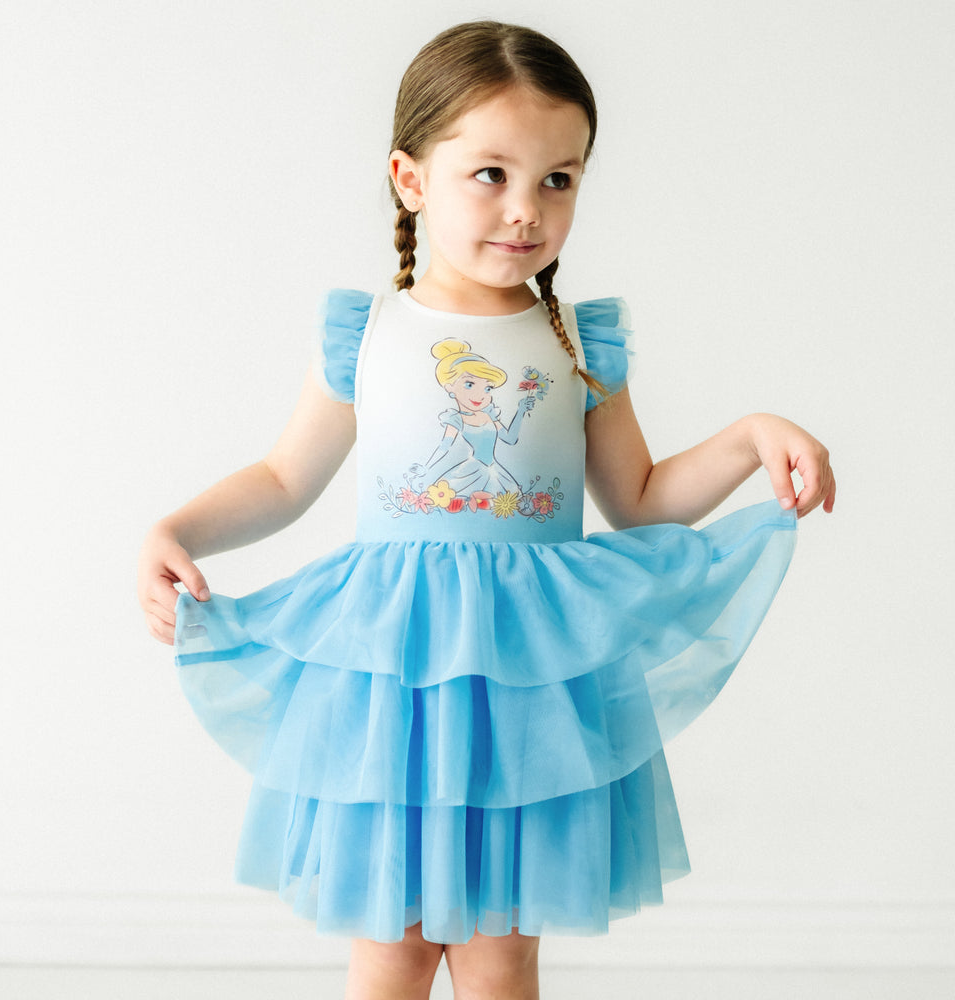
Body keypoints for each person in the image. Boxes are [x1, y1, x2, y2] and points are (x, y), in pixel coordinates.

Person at [138, 20, 835, 1000]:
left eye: (559, 178)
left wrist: (748, 436)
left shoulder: (578, 343)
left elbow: (639, 502)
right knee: (394, 942)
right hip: (398, 684)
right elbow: (285, 478)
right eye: (491, 174)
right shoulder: (369, 333)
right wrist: (177, 529)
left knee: (503, 953)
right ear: (411, 178)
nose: (526, 210)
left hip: (526, 685)